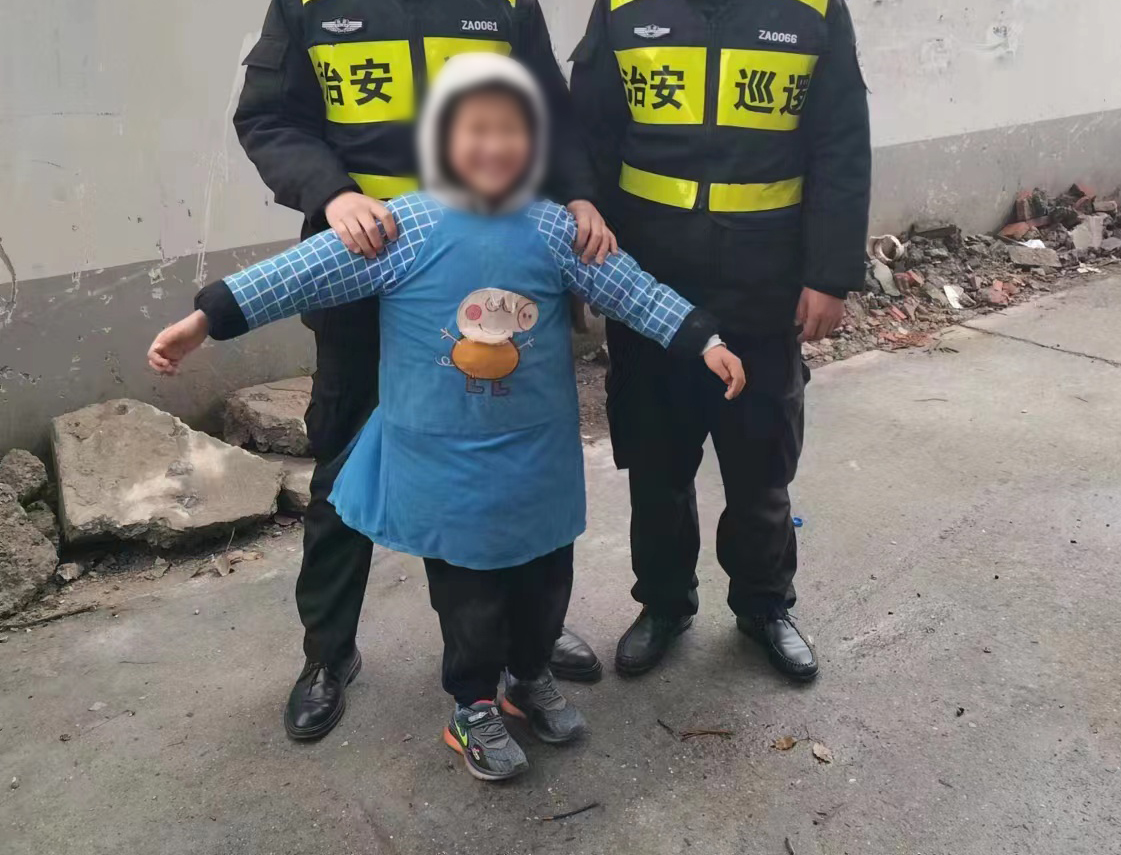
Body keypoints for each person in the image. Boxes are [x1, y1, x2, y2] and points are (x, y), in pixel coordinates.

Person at [150, 54, 746, 782]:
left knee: (545, 581)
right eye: (474, 130)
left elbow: (632, 290)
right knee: (471, 600)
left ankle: (528, 677)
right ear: (441, 141)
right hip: (447, 463)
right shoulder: (402, 227)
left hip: (538, 457)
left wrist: (704, 340)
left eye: (510, 130)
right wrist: (206, 320)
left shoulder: (554, 230)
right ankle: (473, 705)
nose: (493, 145)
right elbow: (301, 274)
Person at [234, 0, 610, 741]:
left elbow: (553, 118)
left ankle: (526, 645)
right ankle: (329, 651)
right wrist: (331, 194)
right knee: (345, 461)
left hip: (488, 278)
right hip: (363, 271)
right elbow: (268, 119)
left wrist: (577, 197)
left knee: (509, 456)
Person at [569, 0, 872, 683]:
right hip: (650, 284)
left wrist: (829, 275)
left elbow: (841, 149)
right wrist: (583, 228)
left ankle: (764, 607)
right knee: (656, 467)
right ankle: (664, 604)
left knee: (759, 468)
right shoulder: (626, 0)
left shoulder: (811, 3)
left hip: (763, 287)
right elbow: (583, 131)